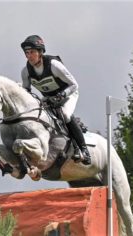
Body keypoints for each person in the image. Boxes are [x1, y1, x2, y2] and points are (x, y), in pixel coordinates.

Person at [20, 35, 91, 165]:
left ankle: (84, 150)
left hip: (68, 94)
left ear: (40, 52)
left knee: (65, 114)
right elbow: (26, 92)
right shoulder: (26, 72)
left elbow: (74, 84)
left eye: (32, 52)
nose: (29, 56)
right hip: (48, 98)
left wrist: (61, 96)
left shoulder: (54, 65)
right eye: (27, 53)